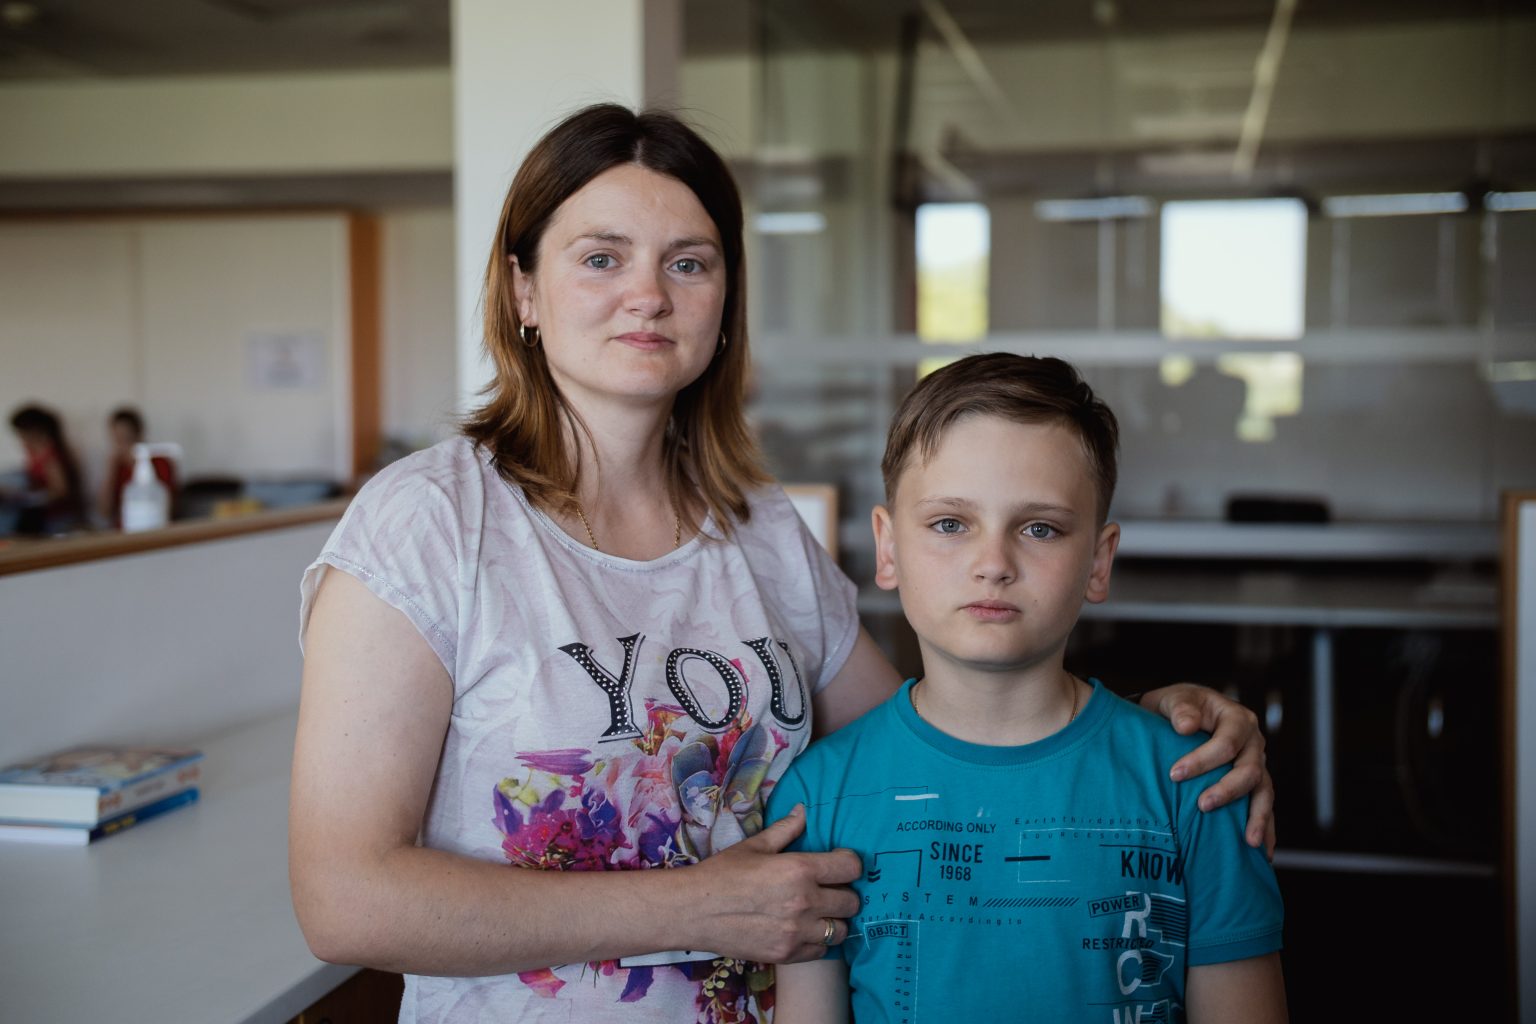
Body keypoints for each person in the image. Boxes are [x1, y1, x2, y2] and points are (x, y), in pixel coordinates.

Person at [289, 104, 1275, 1024]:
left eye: (688, 262)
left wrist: (1148, 738)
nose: (648, 295)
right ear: (523, 290)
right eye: (601, 257)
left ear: (725, 301)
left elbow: (947, 732)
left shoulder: (756, 524)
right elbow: (344, 898)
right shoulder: (428, 523)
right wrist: (695, 907)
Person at [768, 353, 1286, 1023]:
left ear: (1098, 562)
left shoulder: (1197, 785)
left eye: (1040, 528)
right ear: (888, 549)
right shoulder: (816, 800)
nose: (993, 564)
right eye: (950, 524)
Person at [6, 403, 85, 535]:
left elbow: (61, 491)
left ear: (34, 430)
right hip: (43, 517)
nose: (20, 438)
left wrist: (31, 499)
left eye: (22, 433)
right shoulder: (33, 453)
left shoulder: (51, 456)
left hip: (57, 519)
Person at [99, 406, 177, 528]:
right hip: (124, 531)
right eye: (117, 440)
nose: (122, 446)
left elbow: (170, 508)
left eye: (126, 439)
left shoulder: (160, 463)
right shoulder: (117, 467)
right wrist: (111, 471)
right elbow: (104, 512)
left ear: (139, 435)